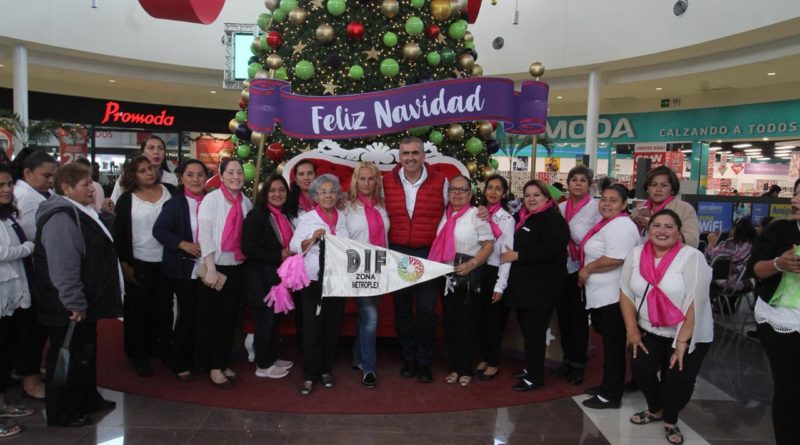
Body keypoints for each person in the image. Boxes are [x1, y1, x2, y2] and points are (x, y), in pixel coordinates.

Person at [34, 163, 123, 427]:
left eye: (92, 184)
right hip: (67, 304)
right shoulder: (61, 218)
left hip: (85, 299)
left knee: (84, 352)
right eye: (86, 185)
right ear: (66, 188)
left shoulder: (80, 210)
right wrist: (74, 302)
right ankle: (63, 411)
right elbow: (63, 265)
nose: (92, 189)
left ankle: (86, 398)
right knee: (67, 355)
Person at [620, 209, 713, 445]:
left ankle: (670, 419)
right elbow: (626, 292)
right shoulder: (637, 253)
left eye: (669, 226)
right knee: (641, 369)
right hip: (650, 329)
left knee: (678, 381)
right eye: (657, 225)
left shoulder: (691, 257)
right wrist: (632, 330)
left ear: (679, 232)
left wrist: (682, 342)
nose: (662, 231)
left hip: (688, 333)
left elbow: (696, 301)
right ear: (648, 229)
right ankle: (656, 409)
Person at [383, 136, 448, 383]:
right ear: (399, 157)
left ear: (423, 155)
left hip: (428, 253)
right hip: (398, 252)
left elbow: (453, 210)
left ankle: (424, 361)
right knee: (403, 310)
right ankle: (409, 357)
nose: (410, 158)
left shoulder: (441, 181)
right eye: (406, 153)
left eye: (415, 153)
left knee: (427, 310)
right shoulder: (385, 181)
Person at [500, 180, 570, 392]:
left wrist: (518, 255)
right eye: (527, 195)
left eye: (536, 195)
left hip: (541, 289)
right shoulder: (524, 217)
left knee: (535, 333)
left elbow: (552, 250)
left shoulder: (553, 220)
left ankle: (535, 377)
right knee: (528, 332)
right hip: (524, 288)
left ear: (546, 198)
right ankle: (531, 368)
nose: (531, 199)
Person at [578, 182, 641, 409]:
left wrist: (588, 268)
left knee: (614, 348)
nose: (606, 204)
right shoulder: (608, 224)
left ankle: (611, 395)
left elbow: (616, 257)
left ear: (624, 205)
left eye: (613, 200)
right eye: (603, 199)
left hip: (615, 297)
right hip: (602, 295)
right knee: (609, 345)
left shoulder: (621, 225)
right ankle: (607, 386)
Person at [748, 178, 800, 445]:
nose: (795, 200)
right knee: (789, 387)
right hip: (781, 319)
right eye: (796, 194)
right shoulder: (780, 230)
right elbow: (756, 269)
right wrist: (780, 263)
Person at [113, 156, 174, 378]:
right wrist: (124, 263)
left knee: (164, 308)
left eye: (150, 168)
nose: (149, 172)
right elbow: (120, 234)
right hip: (139, 261)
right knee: (138, 310)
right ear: (133, 175)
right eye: (142, 170)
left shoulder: (170, 191)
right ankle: (137, 354)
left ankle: (162, 347)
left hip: (167, 260)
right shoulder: (126, 200)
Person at [430, 175, 494, 387]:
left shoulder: (477, 215)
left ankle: (466, 369)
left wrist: (472, 264)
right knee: (451, 323)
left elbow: (488, 245)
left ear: (470, 193)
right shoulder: (444, 215)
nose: (457, 193)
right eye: (453, 189)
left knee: (467, 324)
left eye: (462, 189)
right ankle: (454, 367)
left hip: (468, 276)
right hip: (447, 277)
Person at [290, 174, 350, 396]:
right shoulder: (307, 218)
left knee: (332, 327)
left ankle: (326, 370)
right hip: (313, 280)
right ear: (315, 196)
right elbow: (294, 245)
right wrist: (311, 239)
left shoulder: (342, 218)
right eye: (323, 192)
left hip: (337, 280)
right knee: (312, 328)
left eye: (332, 191)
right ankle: (309, 374)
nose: (328, 195)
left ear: (337, 195)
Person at [197, 159, 252, 389]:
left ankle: (224, 361)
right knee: (215, 319)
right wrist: (210, 268)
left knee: (230, 319)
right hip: (216, 267)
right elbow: (205, 234)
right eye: (230, 172)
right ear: (221, 175)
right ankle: (214, 366)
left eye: (239, 172)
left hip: (237, 266)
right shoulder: (212, 199)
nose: (236, 177)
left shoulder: (246, 202)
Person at [152, 159, 208, 382]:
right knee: (188, 315)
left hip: (208, 267)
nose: (196, 179)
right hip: (183, 269)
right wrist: (183, 244)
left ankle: (197, 357)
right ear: (181, 178)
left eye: (200, 174)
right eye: (190, 175)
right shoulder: (175, 203)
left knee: (202, 315)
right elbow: (159, 230)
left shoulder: (211, 200)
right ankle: (179, 361)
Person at [10, 150, 55, 400]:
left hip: (37, 269)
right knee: (32, 328)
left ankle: (28, 370)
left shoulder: (39, 194)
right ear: (27, 173)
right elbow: (32, 237)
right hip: (30, 271)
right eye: (45, 175)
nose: (51, 180)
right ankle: (29, 378)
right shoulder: (25, 198)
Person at [241, 174, 295, 380]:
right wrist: (278, 255)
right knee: (264, 322)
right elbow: (249, 249)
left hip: (278, 279)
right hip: (260, 279)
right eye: (272, 190)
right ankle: (263, 365)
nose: (277, 194)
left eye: (281, 190)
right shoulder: (256, 216)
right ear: (265, 193)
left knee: (273, 322)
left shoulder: (284, 215)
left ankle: (271, 357)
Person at [554, 166, 602, 385]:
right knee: (563, 317)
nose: (578, 184)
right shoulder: (561, 207)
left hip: (582, 269)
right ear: (568, 183)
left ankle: (578, 364)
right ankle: (566, 359)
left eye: (583, 180)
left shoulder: (596, 209)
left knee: (579, 320)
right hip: (562, 268)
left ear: (589, 184)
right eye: (574, 180)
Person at [344, 162, 389, 388]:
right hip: (358, 269)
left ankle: (357, 358)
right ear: (356, 181)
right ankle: (369, 368)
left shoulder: (383, 205)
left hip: (380, 267)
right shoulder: (347, 207)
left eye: (371, 178)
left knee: (364, 316)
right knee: (370, 316)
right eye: (362, 178)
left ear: (377, 181)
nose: (366, 183)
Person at [0, 164, 35, 438]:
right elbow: (3, 252)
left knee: (6, 350)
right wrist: (28, 247)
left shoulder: (8, 215)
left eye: (10, 184)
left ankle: (2, 404)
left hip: (12, 291)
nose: (7, 189)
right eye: (1, 185)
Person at [474, 174, 514, 381]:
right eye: (490, 187)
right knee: (480, 318)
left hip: (495, 272)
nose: (493, 192)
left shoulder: (507, 219)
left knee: (493, 321)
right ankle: (484, 357)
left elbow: (507, 254)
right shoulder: (477, 213)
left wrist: (500, 285)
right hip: (478, 269)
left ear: (504, 193)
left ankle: (494, 362)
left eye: (498, 189)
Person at [284, 158, 317, 348]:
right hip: (298, 264)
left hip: (322, 262)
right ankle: (305, 349)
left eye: (309, 173)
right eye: (301, 174)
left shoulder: (326, 197)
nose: (306, 178)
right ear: (295, 179)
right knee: (303, 311)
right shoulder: (289, 203)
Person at [630, 166, 700, 248]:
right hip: (641, 253)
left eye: (664, 185)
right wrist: (633, 223)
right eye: (653, 185)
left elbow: (692, 241)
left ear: (672, 189)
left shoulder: (684, 209)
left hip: (673, 255)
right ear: (647, 188)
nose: (658, 189)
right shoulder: (639, 209)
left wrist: (653, 226)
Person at [705, 218, 756, 310]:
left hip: (729, 283)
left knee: (706, 279)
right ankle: (724, 307)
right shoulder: (753, 245)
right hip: (747, 282)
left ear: (736, 229)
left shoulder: (730, 244)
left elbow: (709, 256)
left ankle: (708, 307)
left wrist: (711, 242)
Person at [110, 135, 178, 202]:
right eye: (151, 148)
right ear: (142, 152)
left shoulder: (171, 178)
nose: (156, 152)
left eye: (160, 148)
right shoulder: (127, 176)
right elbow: (114, 202)